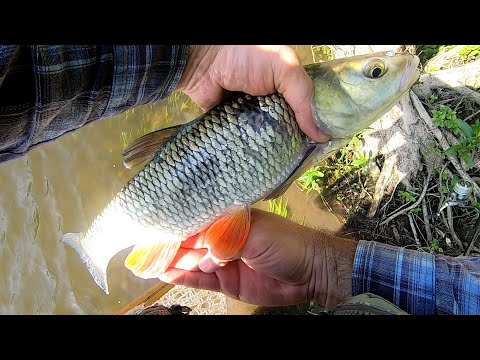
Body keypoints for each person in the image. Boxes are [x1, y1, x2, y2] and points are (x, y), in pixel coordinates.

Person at [0, 45, 479, 315]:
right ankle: (93, 246)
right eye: (376, 72)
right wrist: (199, 57)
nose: (391, 70)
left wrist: (200, 57)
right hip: (176, 191)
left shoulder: (311, 120)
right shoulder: (308, 114)